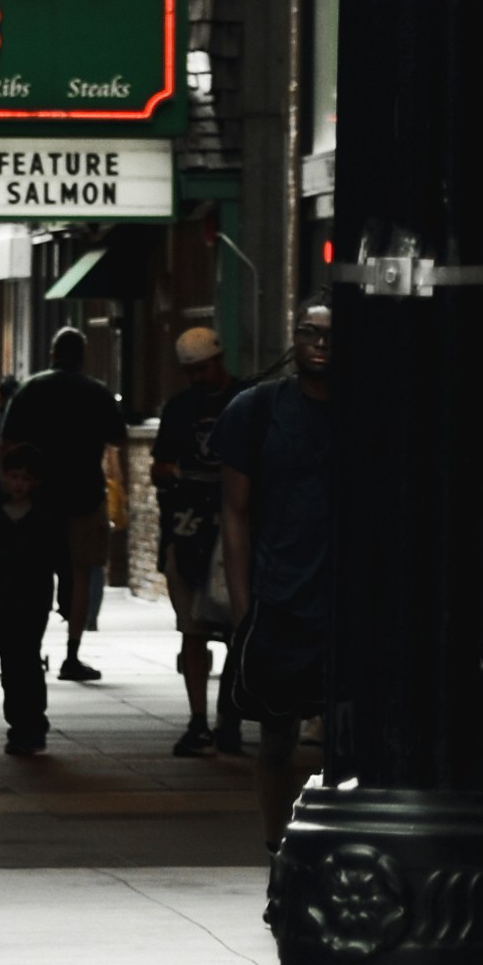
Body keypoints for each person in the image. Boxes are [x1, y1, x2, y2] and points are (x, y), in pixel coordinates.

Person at [217, 298, 337, 836]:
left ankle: (335, 848)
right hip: (279, 597)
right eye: (308, 332)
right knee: (276, 736)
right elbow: (234, 512)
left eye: (329, 335)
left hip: (348, 603)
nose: (318, 343)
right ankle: (277, 848)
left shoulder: (373, 412)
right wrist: (244, 606)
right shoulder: (257, 409)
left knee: (349, 740)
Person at [0, 319, 128, 687]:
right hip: (85, 494)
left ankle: (32, 645)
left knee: (35, 572)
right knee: (81, 573)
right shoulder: (97, 392)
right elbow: (118, 439)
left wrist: (8, 487)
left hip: (39, 495)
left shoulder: (31, 389)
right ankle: (72, 653)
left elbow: (7, 442)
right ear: (83, 357)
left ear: (53, 354)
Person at [145, 316, 240, 758]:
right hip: (188, 529)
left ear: (219, 360)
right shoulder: (180, 408)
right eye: (192, 371)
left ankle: (229, 718)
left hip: (231, 530)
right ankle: (202, 718)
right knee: (193, 630)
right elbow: (158, 466)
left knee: (239, 628)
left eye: (204, 368)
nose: (200, 378)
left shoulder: (244, 401)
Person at [0, 377, 62, 755]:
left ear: (35, 482)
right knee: (12, 660)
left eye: (25, 478)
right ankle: (19, 721)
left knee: (27, 657)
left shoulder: (41, 516)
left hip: (32, 595)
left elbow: (55, 557)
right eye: (14, 477)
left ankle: (31, 721)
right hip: (5, 597)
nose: (19, 484)